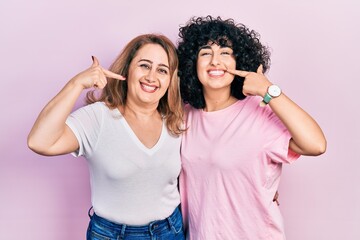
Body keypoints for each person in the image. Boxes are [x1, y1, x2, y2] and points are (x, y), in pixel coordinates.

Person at [177, 16, 327, 240]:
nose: (215, 61)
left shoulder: (259, 111)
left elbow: (316, 144)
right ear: (192, 63)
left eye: (225, 52)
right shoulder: (184, 117)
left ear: (239, 61)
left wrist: (268, 89)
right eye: (205, 53)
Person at [27, 34, 185, 240]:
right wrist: (76, 84)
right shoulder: (98, 118)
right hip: (112, 235)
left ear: (170, 80)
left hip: (170, 231)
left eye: (162, 70)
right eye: (144, 66)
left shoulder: (176, 121)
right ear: (127, 70)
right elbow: (39, 142)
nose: (151, 77)